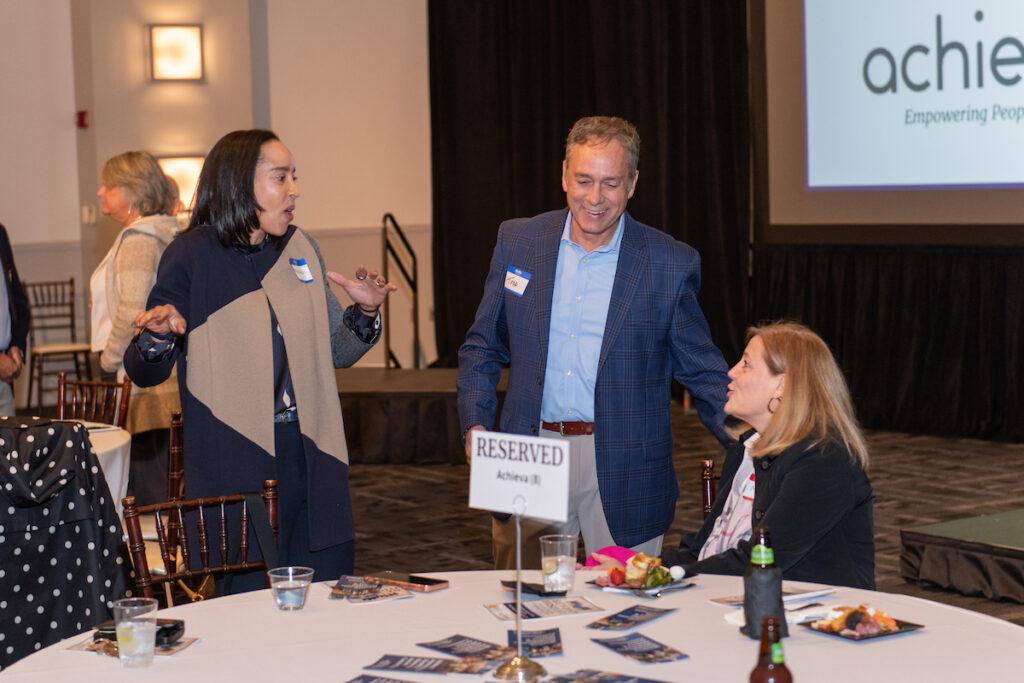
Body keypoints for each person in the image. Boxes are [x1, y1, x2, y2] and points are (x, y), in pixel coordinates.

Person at [123, 129, 395, 588]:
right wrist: (158, 336)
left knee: (326, 596)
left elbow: (337, 351)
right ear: (238, 183)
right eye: (281, 178)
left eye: (294, 177)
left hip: (312, 452)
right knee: (246, 606)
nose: (295, 190)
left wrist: (365, 311)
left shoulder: (299, 246)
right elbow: (144, 370)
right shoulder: (192, 255)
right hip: (236, 461)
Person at [458, 116, 730, 568]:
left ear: (633, 183)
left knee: (624, 619)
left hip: (625, 465)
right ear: (564, 174)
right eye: (583, 180)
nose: (595, 198)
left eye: (610, 183)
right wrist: (475, 423)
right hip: (530, 452)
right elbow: (482, 346)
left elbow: (702, 371)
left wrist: (759, 445)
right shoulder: (519, 242)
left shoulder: (669, 263)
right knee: (531, 613)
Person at [656, 321, 875, 588]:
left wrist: (665, 576)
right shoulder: (746, 448)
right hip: (731, 597)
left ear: (782, 385)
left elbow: (761, 559)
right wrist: (638, 566)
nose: (731, 373)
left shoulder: (824, 461)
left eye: (746, 364)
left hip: (804, 617)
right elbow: (703, 547)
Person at [90, 151, 181, 504]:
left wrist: (108, 361)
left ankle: (156, 561)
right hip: (157, 376)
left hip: (144, 384)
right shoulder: (154, 232)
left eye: (109, 186)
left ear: (132, 191)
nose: (100, 192)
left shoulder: (140, 239)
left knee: (148, 497)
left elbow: (133, 311)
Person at [0, 223, 28, 416]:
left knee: (9, 444)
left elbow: (17, 299)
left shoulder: (0, 233)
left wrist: (16, 345)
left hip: (5, 377)